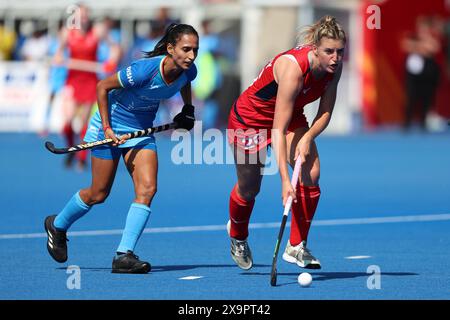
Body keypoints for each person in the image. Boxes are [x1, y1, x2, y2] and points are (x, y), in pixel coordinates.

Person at [44, 23, 199, 274]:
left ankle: (123, 255)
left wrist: (188, 109)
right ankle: (57, 225)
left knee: (148, 188)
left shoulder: (188, 71)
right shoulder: (144, 71)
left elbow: (185, 83)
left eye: (195, 50)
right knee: (98, 194)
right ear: (170, 48)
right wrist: (107, 128)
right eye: (186, 49)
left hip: (140, 133)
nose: (191, 56)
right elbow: (102, 87)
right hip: (109, 128)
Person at [226, 15, 346, 270]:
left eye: (340, 51)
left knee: (311, 171)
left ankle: (296, 246)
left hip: (290, 116)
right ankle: (237, 235)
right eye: (329, 51)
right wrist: (283, 179)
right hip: (249, 120)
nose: (335, 57)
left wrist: (309, 138)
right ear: (315, 48)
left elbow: (325, 112)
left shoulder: (334, 67)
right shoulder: (294, 69)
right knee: (249, 189)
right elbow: (276, 130)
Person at [54, 4, 119, 170]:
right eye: (78, 15)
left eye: (84, 15)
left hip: (90, 81)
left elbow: (116, 48)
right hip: (73, 80)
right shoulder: (66, 33)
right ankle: (71, 149)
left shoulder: (98, 31)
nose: (82, 18)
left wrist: (111, 62)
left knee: (84, 122)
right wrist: (59, 58)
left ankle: (81, 157)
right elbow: (58, 54)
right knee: (67, 121)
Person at [401, 16, 443, 131]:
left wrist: (420, 46)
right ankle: (407, 123)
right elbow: (406, 45)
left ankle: (423, 122)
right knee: (411, 97)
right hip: (413, 74)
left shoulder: (432, 38)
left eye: (425, 28)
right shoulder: (413, 36)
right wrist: (421, 47)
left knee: (426, 98)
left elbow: (434, 48)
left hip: (427, 73)